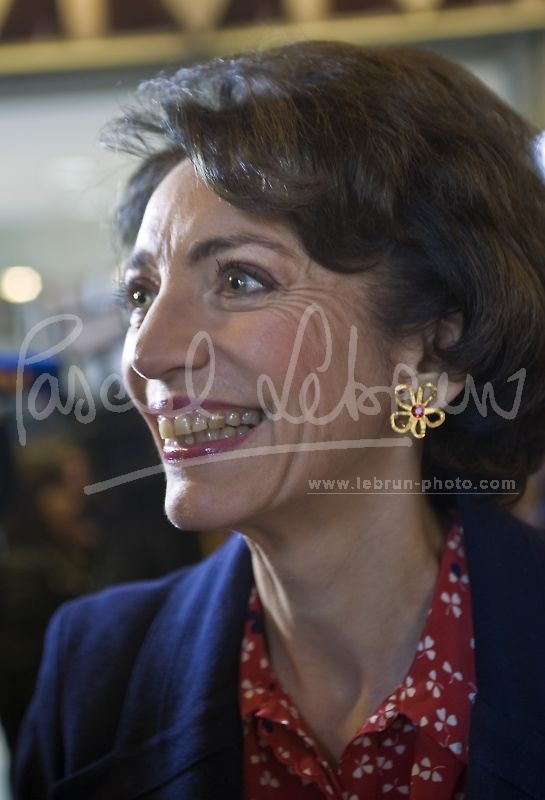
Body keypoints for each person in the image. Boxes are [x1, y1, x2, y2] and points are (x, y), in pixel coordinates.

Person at [12, 41, 545, 799]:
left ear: (433, 357)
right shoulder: (96, 668)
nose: (149, 353)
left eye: (240, 279)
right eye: (140, 295)